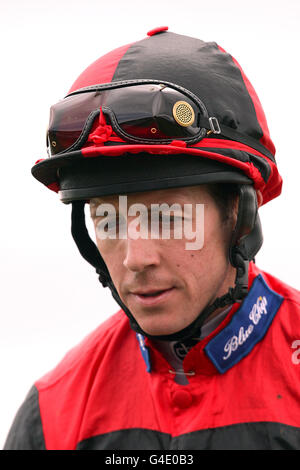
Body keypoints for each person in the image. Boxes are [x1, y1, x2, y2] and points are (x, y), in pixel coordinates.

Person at [4, 27, 300, 451]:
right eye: (108, 221)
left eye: (168, 218)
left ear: (237, 215)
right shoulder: (52, 415)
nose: (135, 259)